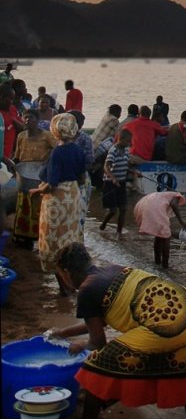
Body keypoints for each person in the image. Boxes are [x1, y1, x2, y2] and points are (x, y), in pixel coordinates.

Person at [51, 242, 186, 419]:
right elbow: (97, 320)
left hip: (168, 323)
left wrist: (79, 346)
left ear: (67, 273)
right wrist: (63, 333)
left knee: (97, 366)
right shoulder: (112, 270)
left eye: (61, 275)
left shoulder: (87, 290)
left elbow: (97, 344)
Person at [30, 113, 86, 294]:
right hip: (73, 196)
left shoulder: (57, 152)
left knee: (53, 242)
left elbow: (52, 182)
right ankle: (72, 282)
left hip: (57, 199)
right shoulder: (78, 150)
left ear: (55, 130)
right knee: (69, 238)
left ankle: (65, 287)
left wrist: (37, 190)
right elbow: (82, 177)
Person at [11, 108, 56, 248]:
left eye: (31, 118)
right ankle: (22, 236)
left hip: (39, 174)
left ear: (37, 121)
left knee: (37, 207)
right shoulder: (21, 136)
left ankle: (37, 236)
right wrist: (12, 167)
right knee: (23, 206)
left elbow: (56, 151)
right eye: (25, 118)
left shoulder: (46, 136)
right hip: (25, 174)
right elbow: (17, 157)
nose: (27, 120)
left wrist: (47, 163)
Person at [134, 190, 186, 270]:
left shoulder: (164, 195)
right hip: (153, 206)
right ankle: (165, 266)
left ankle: (157, 262)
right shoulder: (177, 195)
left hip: (143, 204)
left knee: (159, 235)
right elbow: (174, 204)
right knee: (165, 238)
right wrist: (182, 222)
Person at [99, 128, 136, 238]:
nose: (129, 143)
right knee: (113, 210)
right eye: (127, 141)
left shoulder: (126, 150)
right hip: (110, 183)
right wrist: (113, 178)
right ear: (121, 139)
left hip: (121, 183)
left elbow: (125, 165)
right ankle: (104, 223)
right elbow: (106, 166)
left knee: (123, 208)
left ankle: (119, 232)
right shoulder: (113, 150)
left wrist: (134, 171)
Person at [0, 85, 25, 158]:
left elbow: (23, 127)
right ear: (1, 97)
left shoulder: (11, 109)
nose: (12, 102)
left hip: (9, 156)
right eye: (10, 99)